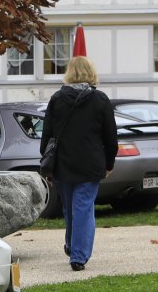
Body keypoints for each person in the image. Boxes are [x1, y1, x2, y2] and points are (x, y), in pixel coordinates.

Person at [43, 55, 118, 272]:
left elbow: (47, 134)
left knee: (69, 208)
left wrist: (46, 163)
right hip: (90, 163)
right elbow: (110, 137)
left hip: (63, 163)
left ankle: (73, 246)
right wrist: (109, 163)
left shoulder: (57, 99)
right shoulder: (100, 100)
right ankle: (78, 255)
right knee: (83, 208)